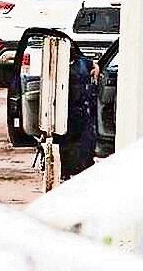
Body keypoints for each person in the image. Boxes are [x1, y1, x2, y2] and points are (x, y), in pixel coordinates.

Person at [55, 39, 98, 180]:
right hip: (64, 110)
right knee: (65, 142)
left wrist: (95, 70)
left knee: (85, 141)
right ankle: (65, 171)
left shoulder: (81, 62)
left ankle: (83, 168)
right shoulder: (56, 66)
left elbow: (94, 65)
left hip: (82, 108)